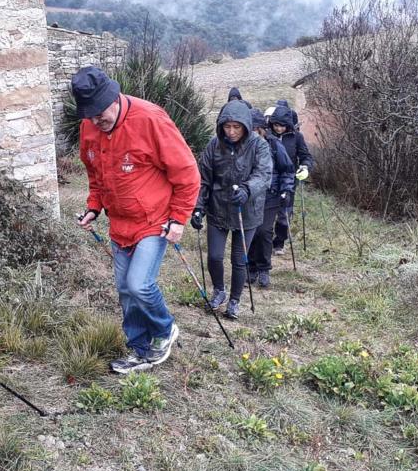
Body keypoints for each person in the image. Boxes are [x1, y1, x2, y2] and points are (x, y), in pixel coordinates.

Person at [73, 67, 199, 374]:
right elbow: (96, 173)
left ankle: (165, 329)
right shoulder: (90, 127)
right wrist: (94, 207)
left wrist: (179, 219)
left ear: (114, 99)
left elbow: (187, 173)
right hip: (120, 223)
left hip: (154, 220)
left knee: (139, 285)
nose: (95, 122)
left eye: (100, 114)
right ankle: (140, 350)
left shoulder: (150, 119)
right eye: (89, 116)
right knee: (125, 290)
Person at [190, 100, 272, 319]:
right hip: (218, 208)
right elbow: (204, 179)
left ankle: (235, 300)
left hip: (247, 212)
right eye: (227, 126)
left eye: (237, 127)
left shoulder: (259, 145)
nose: (232, 131)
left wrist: (247, 190)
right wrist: (198, 207)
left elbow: (264, 175)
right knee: (215, 256)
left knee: (239, 259)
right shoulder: (213, 145)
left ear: (245, 126)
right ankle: (219, 290)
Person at [247, 108, 295, 287]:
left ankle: (264, 268)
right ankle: (250, 267)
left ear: (261, 128)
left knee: (264, 231)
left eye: (254, 129)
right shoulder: (244, 146)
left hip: (271, 195)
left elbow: (287, 169)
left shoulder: (274, 145)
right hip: (250, 196)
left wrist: (286, 190)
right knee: (250, 231)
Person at [269, 105, 314, 255]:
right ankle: (264, 242)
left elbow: (306, 156)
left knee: (284, 215)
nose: (279, 128)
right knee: (267, 215)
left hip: (289, 181)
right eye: (276, 125)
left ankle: (279, 243)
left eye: (282, 126)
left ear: (288, 125)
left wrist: (305, 167)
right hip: (269, 180)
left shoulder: (296, 137)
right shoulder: (268, 136)